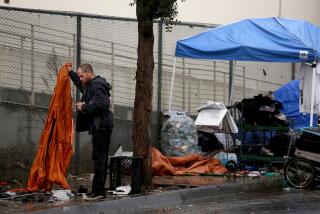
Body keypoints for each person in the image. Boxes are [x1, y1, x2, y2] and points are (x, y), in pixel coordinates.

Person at [67, 63, 113, 199]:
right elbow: (82, 87)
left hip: (102, 127)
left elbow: (103, 105)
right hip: (100, 126)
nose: (80, 79)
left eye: (81, 76)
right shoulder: (91, 85)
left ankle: (98, 192)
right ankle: (97, 190)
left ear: (88, 73)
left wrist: (84, 107)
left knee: (100, 159)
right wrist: (71, 73)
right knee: (98, 158)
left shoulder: (97, 85)